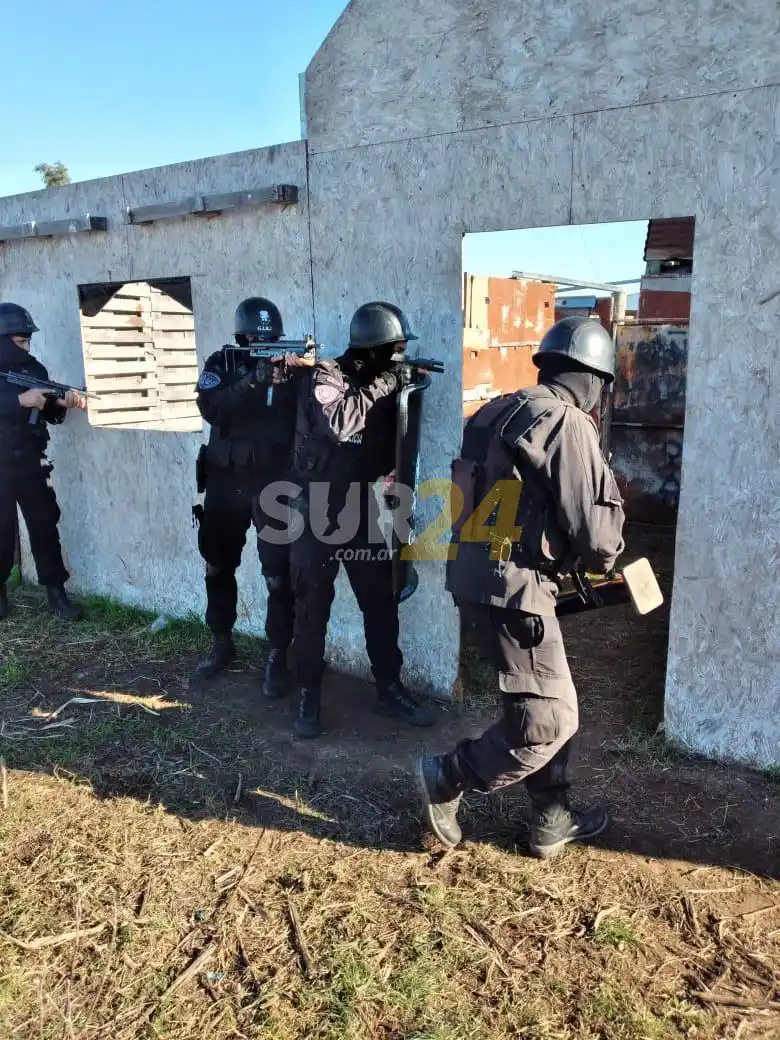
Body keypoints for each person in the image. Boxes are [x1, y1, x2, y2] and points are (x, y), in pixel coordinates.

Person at [415, 315, 626, 860]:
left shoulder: (496, 410)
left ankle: (552, 818)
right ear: (593, 378)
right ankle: (449, 775)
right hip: (515, 588)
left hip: (477, 577)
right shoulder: (566, 422)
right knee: (550, 719)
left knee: (545, 696)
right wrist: (606, 558)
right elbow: (598, 538)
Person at [285, 301, 437, 739]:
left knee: (380, 601)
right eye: (395, 349)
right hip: (316, 511)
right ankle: (308, 695)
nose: (399, 357)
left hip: (359, 509)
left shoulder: (382, 386)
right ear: (373, 348)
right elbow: (339, 422)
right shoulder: (327, 376)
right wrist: (388, 382)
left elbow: (396, 440)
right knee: (312, 606)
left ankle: (389, 688)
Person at [193, 297, 312, 694]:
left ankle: (277, 653)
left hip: (273, 485)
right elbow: (212, 408)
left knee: (278, 576)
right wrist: (253, 380)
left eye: (271, 340)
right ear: (242, 337)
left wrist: (303, 372)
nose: (264, 346)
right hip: (225, 483)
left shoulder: (292, 372)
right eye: (256, 340)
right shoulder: (222, 364)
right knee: (217, 565)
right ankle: (221, 641)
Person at [0, 302, 87, 621]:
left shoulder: (33, 370)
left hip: (31, 461)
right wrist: (18, 400)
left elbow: (49, 412)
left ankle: (56, 593)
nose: (27, 348)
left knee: (45, 526)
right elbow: (18, 402)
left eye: (28, 341)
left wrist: (61, 403)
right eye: (20, 341)